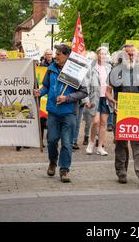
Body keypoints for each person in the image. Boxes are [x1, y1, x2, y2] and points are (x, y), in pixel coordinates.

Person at [35, 44, 88, 183]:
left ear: (67, 56)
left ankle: (64, 169)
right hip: (53, 111)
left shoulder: (75, 71)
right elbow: (46, 86)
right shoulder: (51, 69)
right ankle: (53, 161)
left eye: (59, 54)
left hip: (69, 113)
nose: (55, 56)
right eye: (55, 53)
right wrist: (40, 92)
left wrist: (67, 98)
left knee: (66, 142)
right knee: (51, 140)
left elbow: (83, 92)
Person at [107, 44, 139, 184]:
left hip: (137, 112)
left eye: (133, 53)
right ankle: (121, 171)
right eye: (127, 53)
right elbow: (107, 92)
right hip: (121, 112)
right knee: (121, 143)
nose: (130, 56)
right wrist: (114, 103)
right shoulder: (115, 71)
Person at [85, 47, 112, 156]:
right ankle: (91, 143)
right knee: (95, 121)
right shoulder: (91, 67)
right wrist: (86, 99)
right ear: (97, 55)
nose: (102, 56)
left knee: (103, 123)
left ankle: (100, 146)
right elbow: (86, 83)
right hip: (94, 97)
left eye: (105, 54)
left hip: (106, 98)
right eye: (101, 54)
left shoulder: (110, 68)